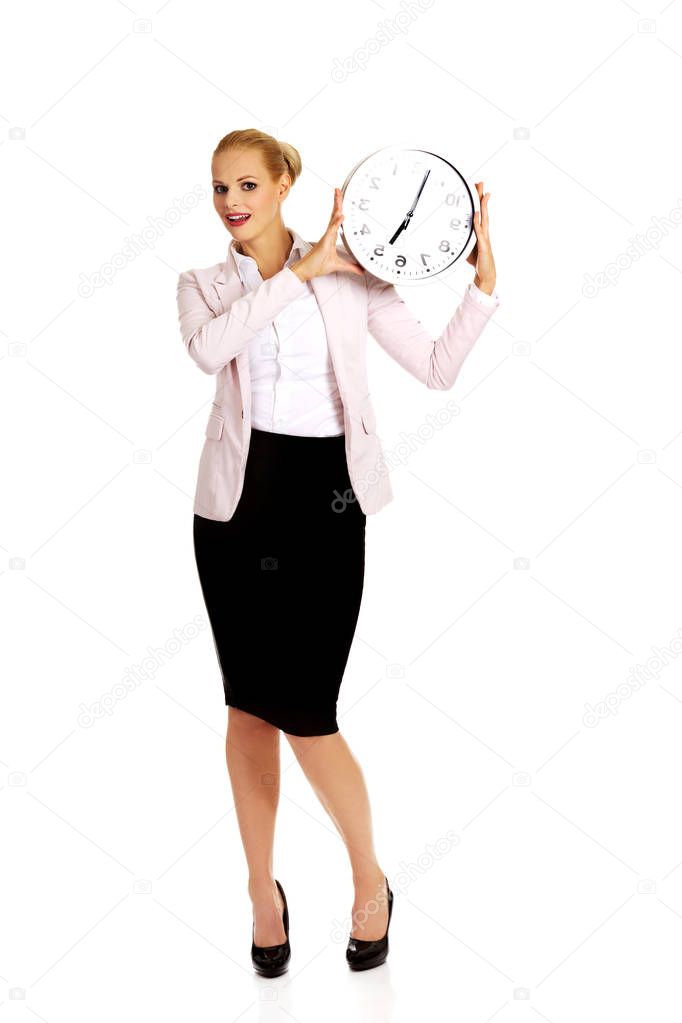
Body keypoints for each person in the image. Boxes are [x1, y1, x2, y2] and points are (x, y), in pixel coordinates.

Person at [176, 129, 499, 975]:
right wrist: (294, 276)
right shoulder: (203, 285)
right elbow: (211, 350)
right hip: (237, 512)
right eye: (218, 188)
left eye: (247, 183)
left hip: (325, 503)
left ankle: (369, 881)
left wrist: (483, 288)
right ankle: (260, 893)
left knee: (309, 714)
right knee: (248, 707)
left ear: (286, 183)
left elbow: (435, 367)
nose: (231, 202)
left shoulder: (353, 275)